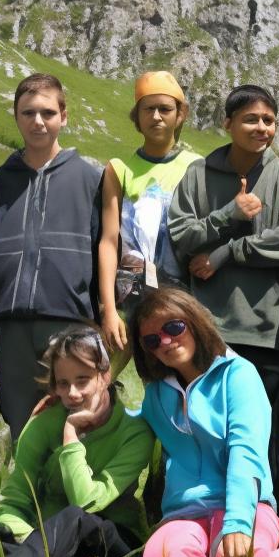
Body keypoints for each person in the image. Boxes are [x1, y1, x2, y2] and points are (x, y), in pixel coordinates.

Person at [167, 84, 279, 492]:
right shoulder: (198, 174)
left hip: (269, 330)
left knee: (263, 430)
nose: (261, 127)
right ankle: (202, 516)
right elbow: (181, 236)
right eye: (251, 119)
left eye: (268, 120)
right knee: (204, 426)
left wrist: (227, 252)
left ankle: (263, 519)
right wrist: (229, 213)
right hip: (208, 329)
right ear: (228, 123)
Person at [131, 288, 279, 557]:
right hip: (184, 514)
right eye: (152, 340)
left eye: (173, 327)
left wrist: (238, 524)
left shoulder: (239, 374)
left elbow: (246, 451)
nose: (165, 341)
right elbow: (131, 425)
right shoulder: (155, 394)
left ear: (194, 322)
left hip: (247, 507)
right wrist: (82, 410)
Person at [0, 73, 103, 439]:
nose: (38, 121)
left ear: (64, 116)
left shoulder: (90, 179)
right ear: (16, 116)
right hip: (12, 328)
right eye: (28, 112)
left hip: (70, 322)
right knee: (21, 424)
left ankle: (75, 498)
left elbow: (105, 251)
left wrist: (102, 318)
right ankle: (26, 497)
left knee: (75, 421)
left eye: (48, 113)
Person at [0, 324, 154, 557]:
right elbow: (11, 502)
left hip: (113, 536)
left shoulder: (135, 433)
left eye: (82, 380)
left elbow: (86, 502)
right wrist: (31, 539)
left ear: (105, 376)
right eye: (63, 384)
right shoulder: (43, 424)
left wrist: (70, 434)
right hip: (47, 538)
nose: (73, 394)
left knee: (75, 517)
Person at [97, 72, 201, 359]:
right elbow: (109, 241)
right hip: (130, 298)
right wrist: (108, 308)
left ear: (181, 115)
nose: (156, 116)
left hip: (185, 296)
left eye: (165, 109)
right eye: (148, 109)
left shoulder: (196, 166)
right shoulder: (119, 170)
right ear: (137, 116)